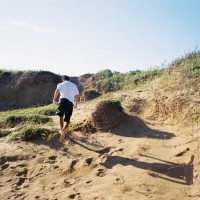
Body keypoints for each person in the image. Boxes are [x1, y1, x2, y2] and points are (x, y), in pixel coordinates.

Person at [53, 75, 80, 142]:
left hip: (62, 101)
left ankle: (61, 129)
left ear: (63, 79)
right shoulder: (74, 85)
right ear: (69, 80)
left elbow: (56, 91)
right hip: (70, 103)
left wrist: (54, 99)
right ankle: (63, 130)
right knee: (67, 118)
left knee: (60, 115)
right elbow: (77, 96)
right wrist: (75, 103)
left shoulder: (60, 84)